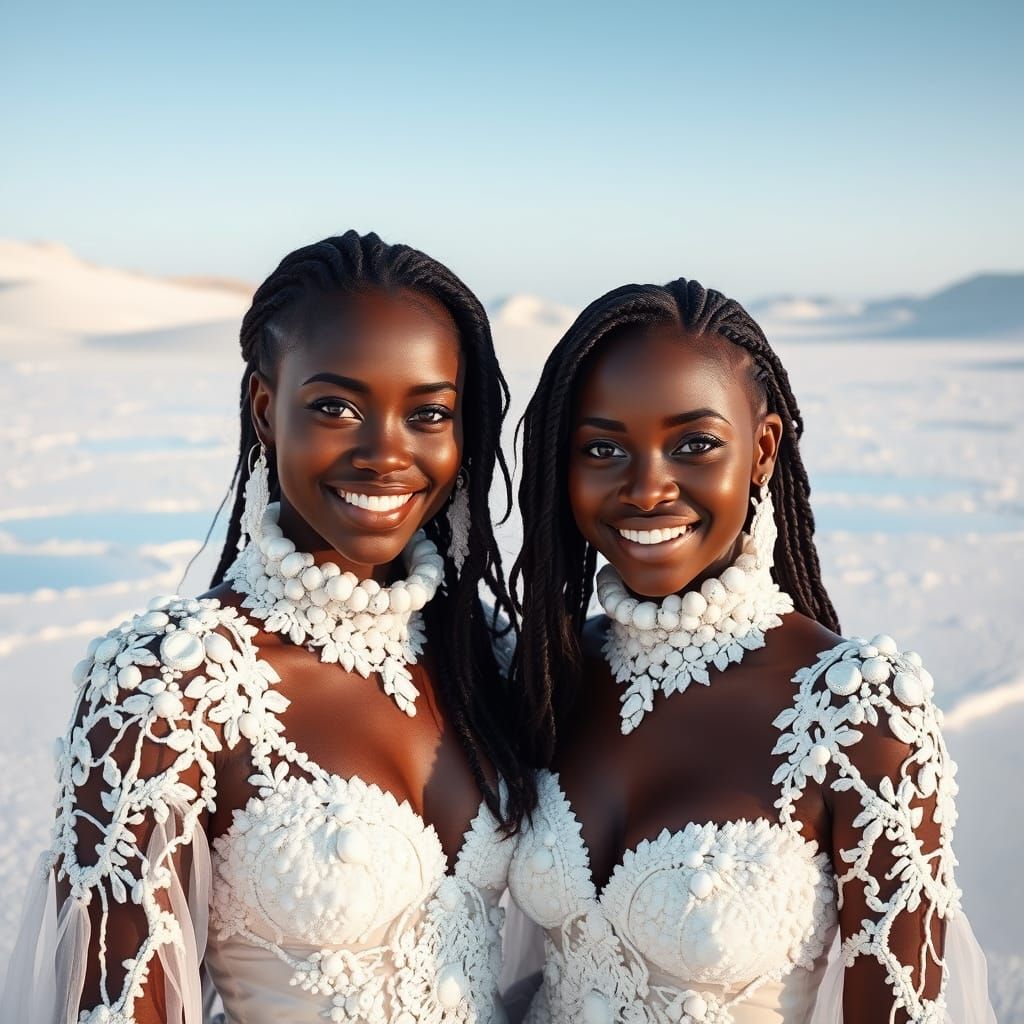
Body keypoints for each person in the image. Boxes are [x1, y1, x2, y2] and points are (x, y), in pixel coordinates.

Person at [1, 231, 534, 1024]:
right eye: (335, 407)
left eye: (428, 413)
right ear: (264, 408)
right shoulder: (169, 680)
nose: (386, 453)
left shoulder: (488, 653)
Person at [506, 280, 995, 1022]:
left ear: (762, 450)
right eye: (603, 448)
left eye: (694, 444)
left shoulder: (861, 714)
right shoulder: (556, 673)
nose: (646, 489)